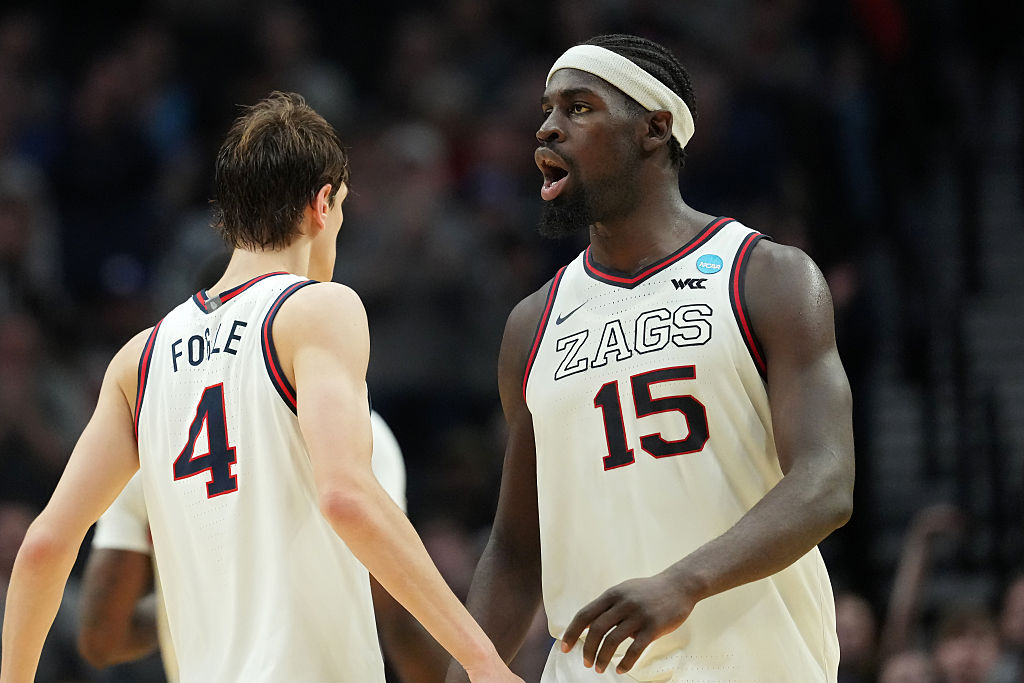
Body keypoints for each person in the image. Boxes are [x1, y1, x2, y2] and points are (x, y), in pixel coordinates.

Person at [1, 91, 520, 683]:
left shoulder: (137, 360)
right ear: (323, 203)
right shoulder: (317, 310)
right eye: (343, 208)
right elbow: (347, 497)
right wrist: (483, 662)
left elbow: (44, 545)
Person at [445, 34, 855, 682]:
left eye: (579, 108)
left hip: (757, 664)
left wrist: (681, 583)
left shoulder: (766, 277)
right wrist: (466, 670)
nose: (549, 129)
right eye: (547, 111)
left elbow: (825, 481)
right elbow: (517, 549)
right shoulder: (533, 323)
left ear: (654, 129)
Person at [77, 410, 448, 682]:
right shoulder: (358, 429)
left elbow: (103, 639)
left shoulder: (146, 435)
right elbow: (400, 619)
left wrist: (209, 599)